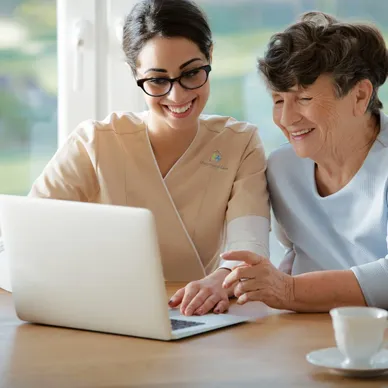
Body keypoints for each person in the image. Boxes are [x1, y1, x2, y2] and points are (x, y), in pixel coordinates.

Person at [0, 0, 270, 316]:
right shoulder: (95, 143)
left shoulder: (240, 143)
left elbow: (249, 250)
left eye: (192, 73)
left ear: (210, 55)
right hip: (106, 312)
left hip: (200, 316)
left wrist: (222, 279)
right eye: (158, 80)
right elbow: (23, 241)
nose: (177, 95)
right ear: (136, 74)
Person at [222, 12, 388, 312]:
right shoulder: (282, 169)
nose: (286, 119)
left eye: (304, 99)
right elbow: (298, 255)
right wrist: (225, 284)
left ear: (360, 95)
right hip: (305, 333)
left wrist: (289, 291)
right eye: (277, 100)